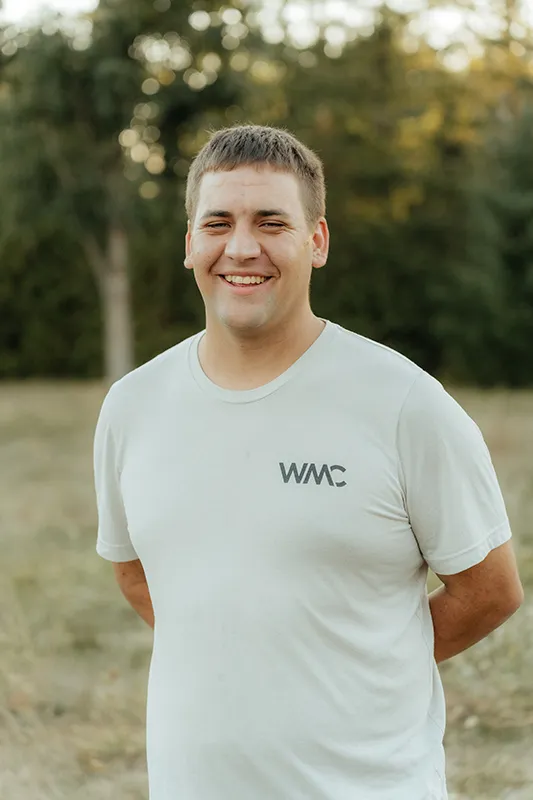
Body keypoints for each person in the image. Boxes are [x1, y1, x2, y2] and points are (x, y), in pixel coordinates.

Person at [93, 124, 523, 800]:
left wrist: (355, 668)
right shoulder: (131, 406)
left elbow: (490, 591)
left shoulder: (405, 404)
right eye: (217, 223)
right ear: (189, 245)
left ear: (315, 241)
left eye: (270, 222)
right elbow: (134, 573)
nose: (241, 247)